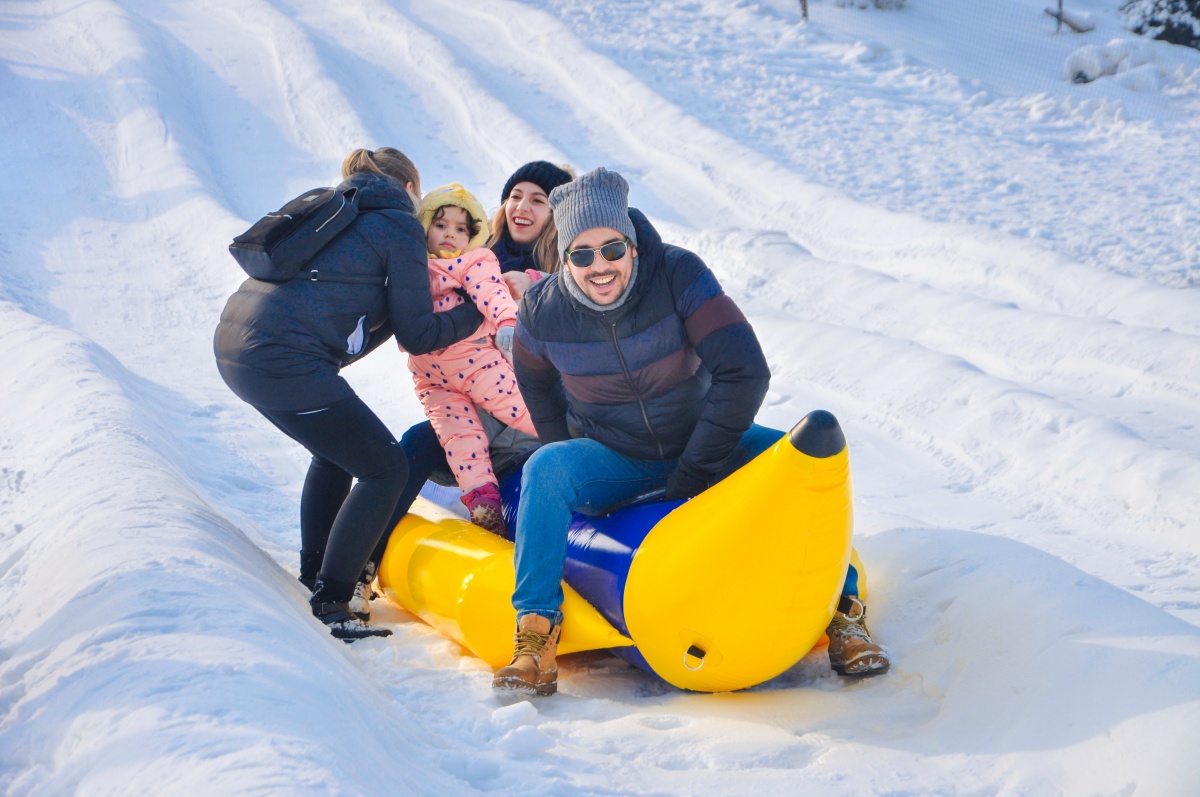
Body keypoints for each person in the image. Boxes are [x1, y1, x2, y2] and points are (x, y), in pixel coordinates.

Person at [493, 167, 891, 695]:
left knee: (795, 457)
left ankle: (844, 614)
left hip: (708, 442)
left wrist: (698, 467)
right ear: (564, 259)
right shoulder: (542, 312)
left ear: (632, 245)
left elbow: (745, 371)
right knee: (546, 467)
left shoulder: (678, 273)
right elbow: (535, 382)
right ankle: (537, 637)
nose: (600, 266)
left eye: (612, 249)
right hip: (619, 457)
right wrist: (568, 441)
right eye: (581, 255)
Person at [214, 147, 482, 640]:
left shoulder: (340, 209)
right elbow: (418, 333)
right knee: (386, 467)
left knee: (335, 453)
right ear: (409, 191)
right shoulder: (396, 223)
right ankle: (334, 598)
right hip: (282, 359)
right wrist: (478, 308)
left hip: (238, 347)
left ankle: (316, 572)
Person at [405, 183, 538, 534]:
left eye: (460, 229)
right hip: (432, 379)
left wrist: (507, 324)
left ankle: (583, 444)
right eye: (441, 225)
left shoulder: (475, 260)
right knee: (460, 440)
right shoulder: (409, 263)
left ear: (473, 235)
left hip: (477, 363)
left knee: (525, 408)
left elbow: (491, 291)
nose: (450, 235)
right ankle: (483, 504)